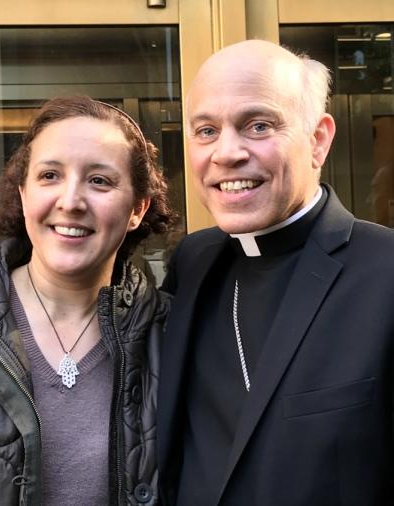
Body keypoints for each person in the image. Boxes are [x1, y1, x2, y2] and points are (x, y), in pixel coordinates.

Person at [158, 39, 394, 506]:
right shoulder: (191, 262)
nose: (226, 153)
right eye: (206, 131)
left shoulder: (385, 271)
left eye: (258, 125)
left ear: (318, 139)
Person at [0, 96, 174, 505]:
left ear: (137, 209)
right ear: (22, 192)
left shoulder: (171, 332)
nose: (70, 201)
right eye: (50, 175)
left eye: (100, 180)